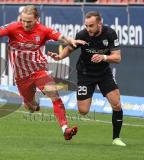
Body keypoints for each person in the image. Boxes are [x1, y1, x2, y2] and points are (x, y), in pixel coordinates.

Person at [0, 5, 86, 140]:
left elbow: (61, 37)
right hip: (21, 78)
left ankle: (65, 129)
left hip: (39, 71)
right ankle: (33, 104)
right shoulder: (13, 27)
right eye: (23, 20)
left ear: (37, 19)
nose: (25, 24)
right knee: (31, 106)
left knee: (55, 96)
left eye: (29, 21)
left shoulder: (43, 30)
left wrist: (71, 41)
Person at [48, 11, 126, 146]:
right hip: (85, 74)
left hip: (103, 74)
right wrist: (59, 57)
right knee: (83, 111)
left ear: (99, 24)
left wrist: (104, 57)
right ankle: (90, 94)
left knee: (117, 104)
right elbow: (70, 48)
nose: (88, 29)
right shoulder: (82, 34)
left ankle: (116, 138)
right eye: (86, 25)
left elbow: (117, 57)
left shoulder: (110, 34)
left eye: (91, 26)